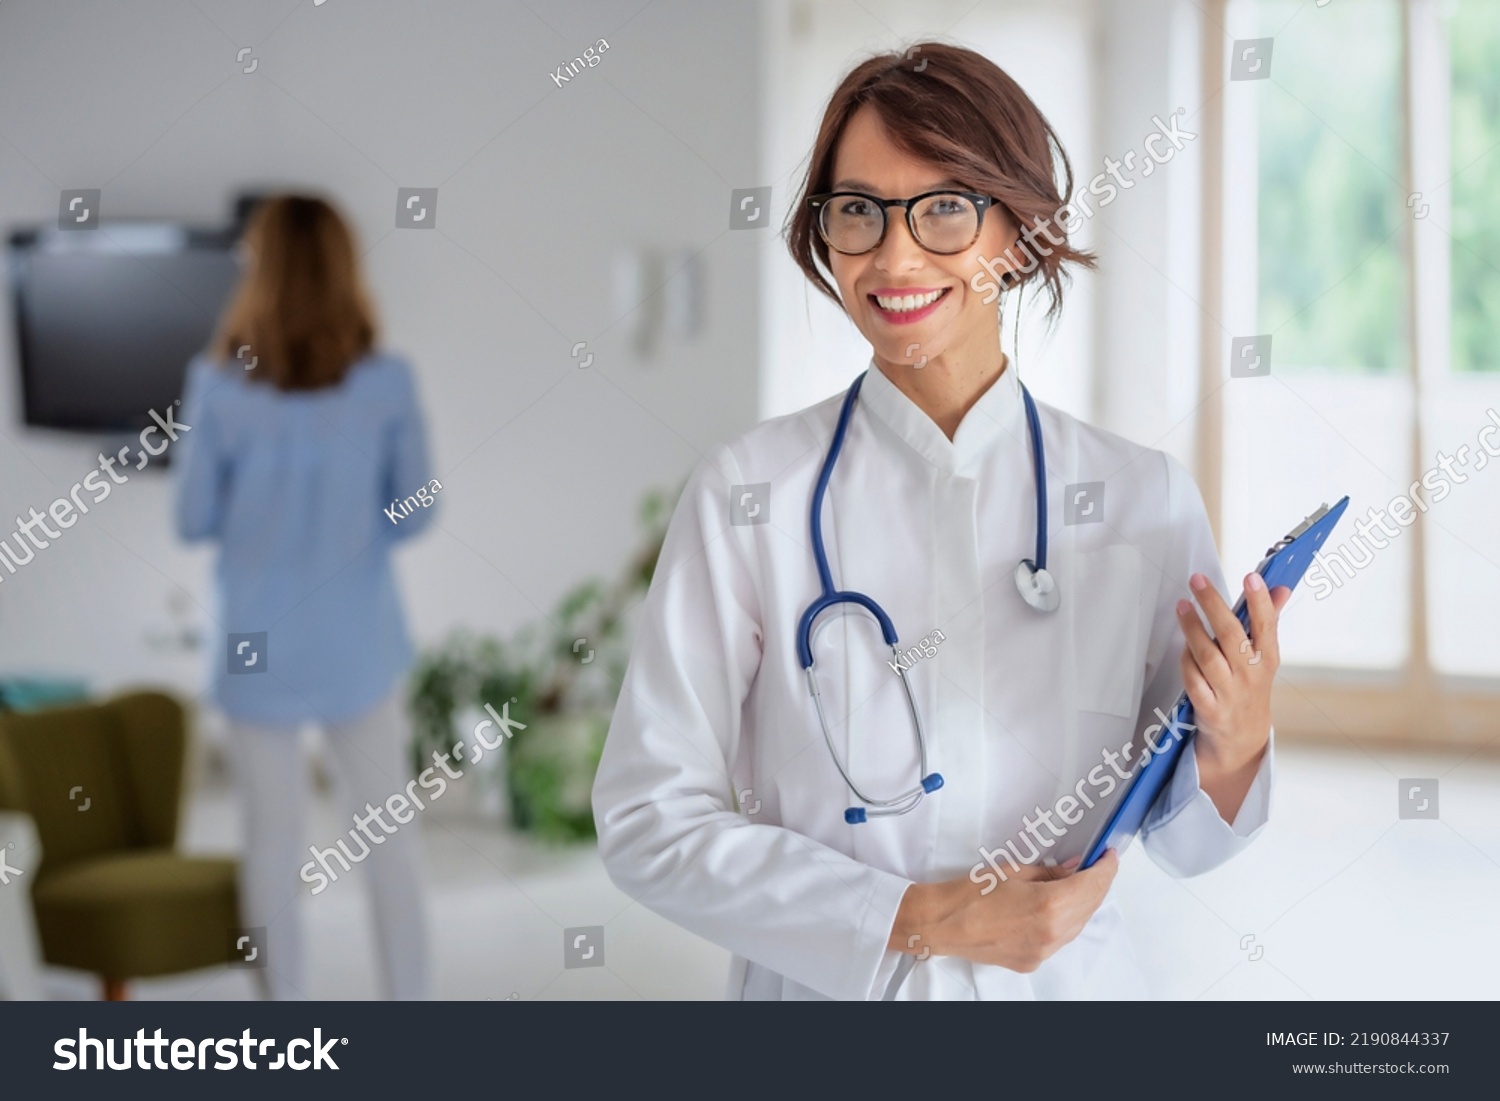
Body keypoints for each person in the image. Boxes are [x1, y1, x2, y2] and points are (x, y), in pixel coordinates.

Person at [592, 43, 1291, 1000]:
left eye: (946, 209)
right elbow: (649, 818)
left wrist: (1237, 744)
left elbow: (1184, 842)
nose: (894, 255)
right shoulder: (747, 495)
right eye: (858, 212)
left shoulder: (1143, 497)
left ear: (1020, 230)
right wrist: (913, 919)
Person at [175, 194, 435, 1000]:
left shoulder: (218, 386)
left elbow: (192, 519)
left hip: (258, 647)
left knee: (272, 844)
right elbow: (418, 508)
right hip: (357, 641)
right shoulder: (386, 383)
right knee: (389, 840)